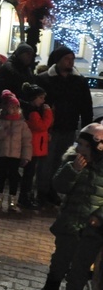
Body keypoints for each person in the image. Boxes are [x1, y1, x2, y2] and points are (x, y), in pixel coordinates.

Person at [28, 123, 103, 290]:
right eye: (78, 144)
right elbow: (59, 185)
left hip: (92, 230)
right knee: (60, 259)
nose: (79, 149)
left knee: (80, 269)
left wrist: (99, 217)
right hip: (69, 222)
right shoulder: (72, 160)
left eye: (84, 146)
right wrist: (74, 170)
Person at [35, 46, 93, 206]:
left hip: (68, 127)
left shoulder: (79, 81)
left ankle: (53, 191)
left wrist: (86, 130)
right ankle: (41, 191)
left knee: (61, 161)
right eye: (67, 59)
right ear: (58, 60)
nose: (71, 62)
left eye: (72, 59)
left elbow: (86, 106)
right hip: (50, 128)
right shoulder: (44, 79)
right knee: (46, 162)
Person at [0, 90, 32, 212]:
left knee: (14, 177)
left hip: (15, 155)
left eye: (14, 107)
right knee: (1, 176)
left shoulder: (22, 124)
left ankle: (12, 200)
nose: (12, 109)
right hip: (2, 154)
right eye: (10, 107)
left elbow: (26, 142)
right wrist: (2, 131)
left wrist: (25, 156)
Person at [19, 82, 53, 209]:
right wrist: (48, 112)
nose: (43, 101)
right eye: (41, 98)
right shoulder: (32, 112)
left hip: (35, 146)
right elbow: (42, 126)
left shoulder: (34, 110)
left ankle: (27, 196)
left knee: (30, 173)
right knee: (28, 174)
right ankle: (24, 198)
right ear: (33, 98)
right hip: (32, 147)